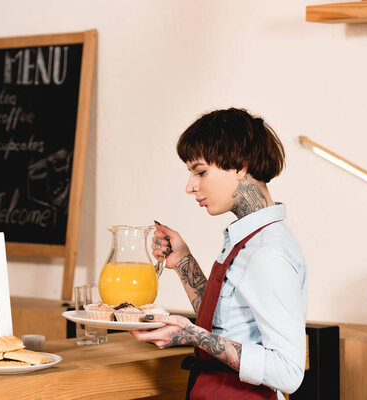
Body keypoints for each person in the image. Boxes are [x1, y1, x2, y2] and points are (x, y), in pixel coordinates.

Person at [131, 108, 307, 400]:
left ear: (240, 165)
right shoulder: (249, 239)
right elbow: (226, 324)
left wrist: (193, 335)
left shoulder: (267, 251)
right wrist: (183, 262)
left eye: (200, 171)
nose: (190, 186)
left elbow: (288, 371)